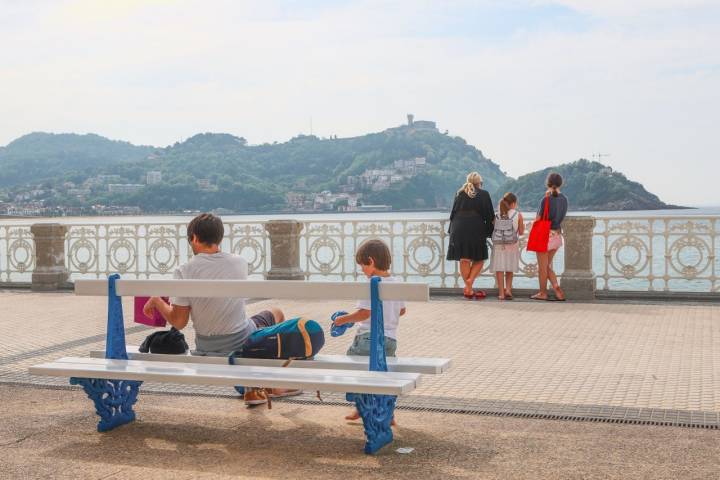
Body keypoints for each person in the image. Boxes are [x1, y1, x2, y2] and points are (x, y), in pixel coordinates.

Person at [143, 213, 300, 405]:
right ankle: (273, 382)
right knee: (276, 313)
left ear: (194, 238)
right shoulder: (240, 262)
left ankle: (254, 387)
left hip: (206, 348)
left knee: (250, 322)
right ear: (220, 238)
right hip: (241, 340)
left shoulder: (184, 271)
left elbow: (179, 322)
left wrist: (157, 301)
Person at [332, 239, 405, 423]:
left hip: (367, 339)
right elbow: (402, 310)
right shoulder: (397, 283)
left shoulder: (371, 284)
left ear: (371, 262)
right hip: (390, 339)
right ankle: (389, 413)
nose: (362, 270)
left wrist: (343, 319)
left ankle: (361, 407)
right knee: (383, 376)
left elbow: (364, 313)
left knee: (355, 371)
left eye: (362, 266)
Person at [446, 172, 495, 299]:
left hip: (458, 227)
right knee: (480, 258)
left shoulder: (459, 193)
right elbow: (490, 216)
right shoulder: (484, 194)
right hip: (475, 227)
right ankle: (469, 282)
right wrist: (490, 232)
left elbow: (452, 214)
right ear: (479, 183)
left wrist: (451, 231)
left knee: (464, 259)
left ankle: (468, 289)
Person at [531, 173, 568, 301]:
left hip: (545, 236)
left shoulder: (545, 199)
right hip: (557, 235)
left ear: (548, 183)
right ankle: (556, 287)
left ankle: (543, 293)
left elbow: (538, 219)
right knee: (547, 266)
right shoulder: (564, 199)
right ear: (560, 184)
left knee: (543, 268)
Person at [490, 192, 524, 300]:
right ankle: (508, 290)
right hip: (512, 244)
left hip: (499, 245)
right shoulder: (517, 215)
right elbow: (522, 232)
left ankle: (501, 293)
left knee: (499, 268)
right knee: (509, 268)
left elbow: (494, 229)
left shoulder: (497, 215)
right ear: (513, 203)